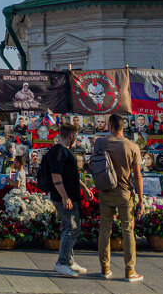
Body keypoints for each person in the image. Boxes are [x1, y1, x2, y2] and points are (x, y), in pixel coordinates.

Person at [94, 113, 144, 282]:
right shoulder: (132, 146)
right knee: (128, 231)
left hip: (106, 192)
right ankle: (130, 271)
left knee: (105, 230)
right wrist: (141, 201)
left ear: (110, 126)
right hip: (125, 193)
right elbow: (137, 176)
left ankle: (105, 268)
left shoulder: (101, 144)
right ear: (124, 127)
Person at [43, 121, 87, 277]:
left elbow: (71, 175)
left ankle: (68, 260)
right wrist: (64, 197)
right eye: (76, 135)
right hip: (63, 196)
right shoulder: (58, 151)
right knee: (72, 228)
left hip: (69, 195)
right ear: (71, 135)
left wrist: (84, 188)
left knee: (69, 227)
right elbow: (56, 175)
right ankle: (62, 262)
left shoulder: (65, 150)